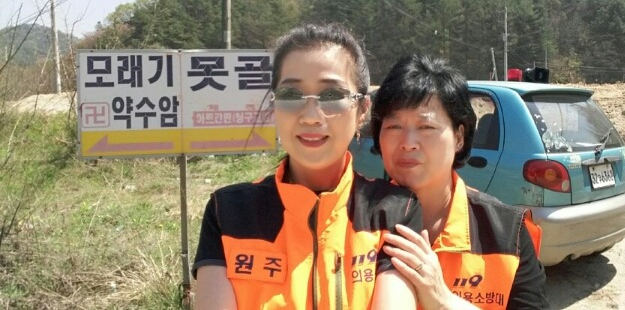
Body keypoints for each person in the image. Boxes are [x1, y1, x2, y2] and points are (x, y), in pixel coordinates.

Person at [192, 24, 422, 309]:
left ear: (362, 110)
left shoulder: (397, 211)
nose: (311, 116)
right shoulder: (228, 212)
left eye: (331, 95)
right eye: (291, 95)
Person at [371, 54, 550, 309]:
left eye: (426, 127)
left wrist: (443, 300)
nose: (408, 143)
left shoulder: (507, 233)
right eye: (394, 126)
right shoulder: (350, 220)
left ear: (459, 137)